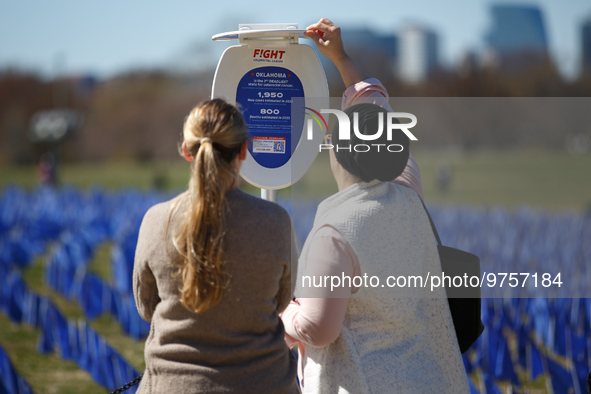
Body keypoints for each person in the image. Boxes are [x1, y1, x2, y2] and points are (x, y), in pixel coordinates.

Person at [281, 19, 470, 393]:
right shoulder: (406, 191)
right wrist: (341, 56)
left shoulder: (334, 231)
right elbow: (375, 105)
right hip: (427, 377)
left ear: (338, 154)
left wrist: (282, 310)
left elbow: (319, 328)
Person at [133, 99, 299, 393]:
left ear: (186, 150)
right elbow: (281, 301)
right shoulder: (276, 221)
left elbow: (147, 307)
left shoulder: (155, 220)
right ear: (244, 150)